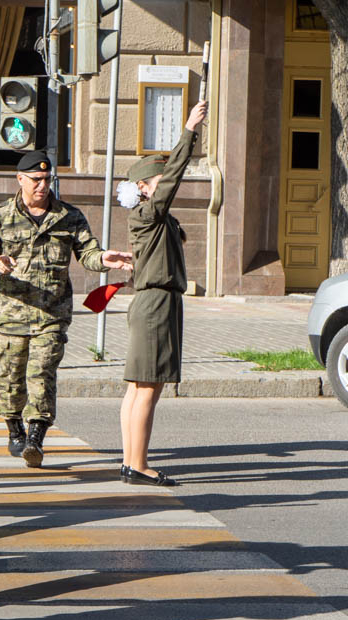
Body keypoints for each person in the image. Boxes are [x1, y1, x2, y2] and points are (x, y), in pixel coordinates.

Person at [0, 151, 133, 467]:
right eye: (35, 180)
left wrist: (103, 260)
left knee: (43, 373)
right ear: (20, 180)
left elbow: (88, 253)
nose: (42, 186)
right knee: (12, 377)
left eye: (47, 179)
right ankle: (14, 429)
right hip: (11, 314)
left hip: (51, 314)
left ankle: (35, 439)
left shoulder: (69, 217)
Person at [120, 100, 208, 486]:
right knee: (147, 389)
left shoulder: (156, 219)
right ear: (143, 188)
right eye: (157, 182)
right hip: (155, 303)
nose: (165, 186)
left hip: (155, 300)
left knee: (138, 387)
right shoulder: (147, 213)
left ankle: (130, 461)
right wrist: (188, 131)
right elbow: (173, 177)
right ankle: (138, 465)